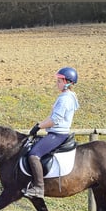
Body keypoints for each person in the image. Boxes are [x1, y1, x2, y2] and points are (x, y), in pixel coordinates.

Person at [22, 66, 80, 198]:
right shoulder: (67, 96)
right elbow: (51, 117)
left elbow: (55, 119)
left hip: (57, 135)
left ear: (67, 82)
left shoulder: (65, 98)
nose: (57, 83)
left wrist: (39, 126)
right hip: (55, 133)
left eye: (59, 81)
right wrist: (40, 124)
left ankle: (39, 188)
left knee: (33, 155)